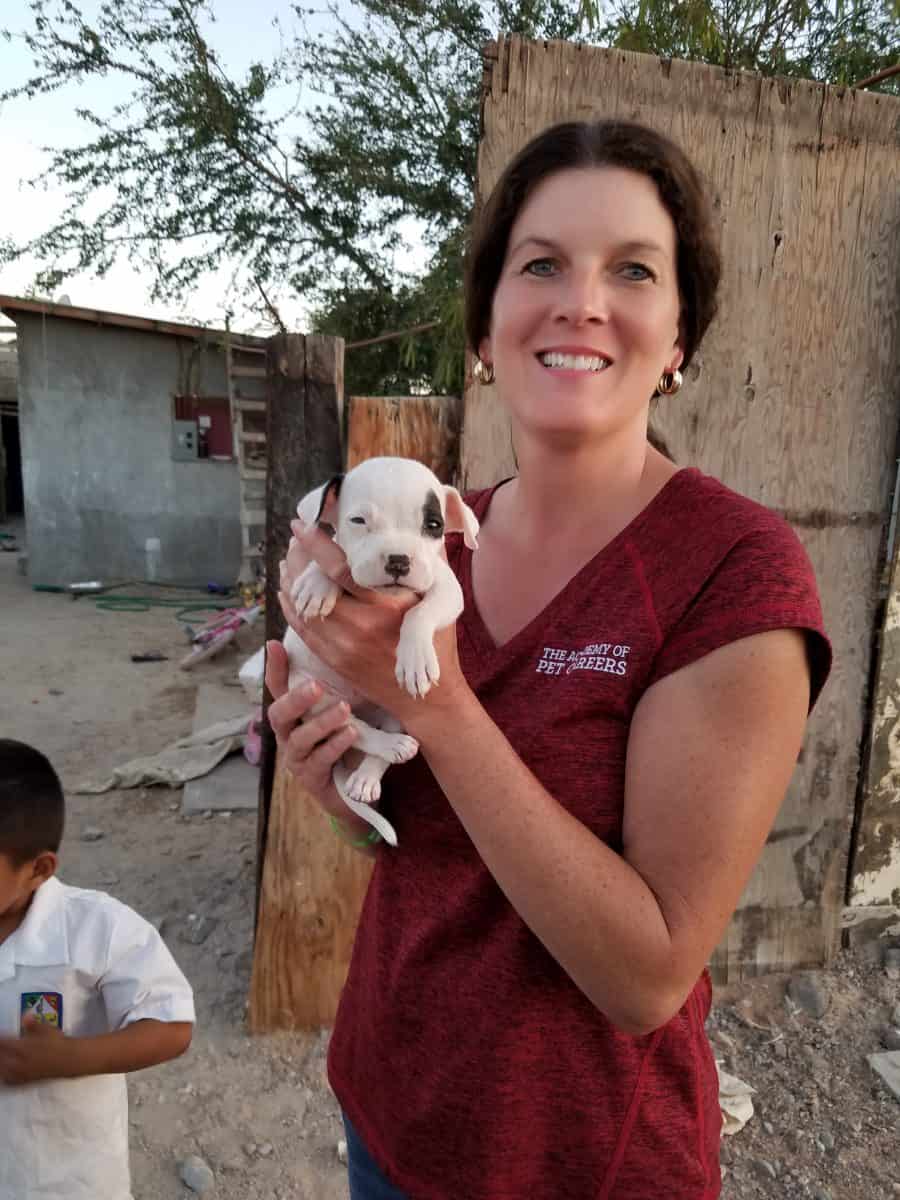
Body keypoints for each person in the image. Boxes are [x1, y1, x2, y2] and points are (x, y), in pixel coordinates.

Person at [265, 120, 831, 1199]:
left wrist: (428, 705)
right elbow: (412, 846)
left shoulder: (734, 567)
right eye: (541, 265)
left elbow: (646, 976)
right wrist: (332, 770)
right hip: (387, 1103)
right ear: (485, 328)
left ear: (678, 340)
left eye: (631, 268)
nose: (581, 300)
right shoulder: (429, 531)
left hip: (577, 1163)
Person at [0, 738, 195, 1200]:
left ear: (38, 869)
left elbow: (171, 1025)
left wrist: (71, 1058)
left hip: (65, 1179)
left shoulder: (96, 929)